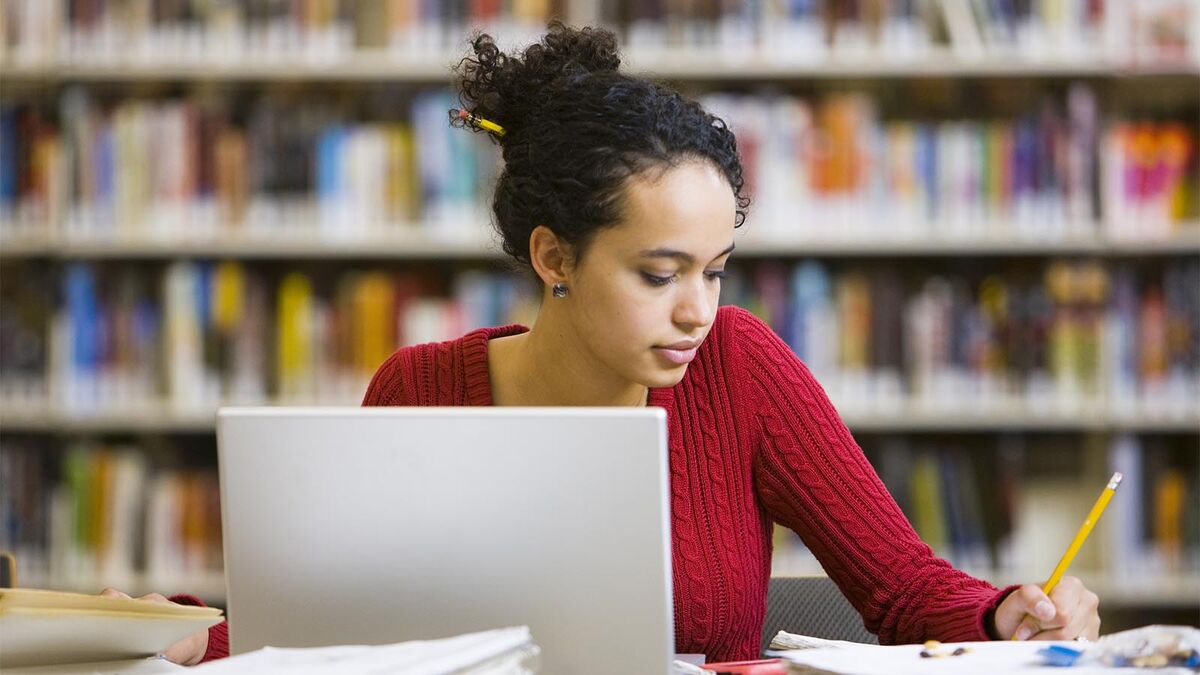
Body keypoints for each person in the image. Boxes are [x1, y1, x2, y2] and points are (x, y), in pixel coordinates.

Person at [106, 22, 1101, 665]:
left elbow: (903, 587)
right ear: (556, 257)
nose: (697, 311)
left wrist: (1006, 611)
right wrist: (183, 634)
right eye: (660, 274)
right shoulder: (420, 386)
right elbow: (349, 633)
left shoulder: (740, 368)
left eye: (716, 271)